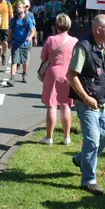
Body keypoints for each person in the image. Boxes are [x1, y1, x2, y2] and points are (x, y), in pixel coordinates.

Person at [67, 14, 105, 196]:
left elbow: (104, 73)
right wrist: (86, 97)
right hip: (87, 102)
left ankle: (81, 159)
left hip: (102, 100)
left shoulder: (104, 46)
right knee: (92, 140)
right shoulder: (83, 47)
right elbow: (71, 75)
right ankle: (88, 180)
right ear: (99, 30)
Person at [40, 13, 78, 145]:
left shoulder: (50, 39)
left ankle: (49, 137)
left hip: (53, 74)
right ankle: (66, 137)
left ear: (56, 26)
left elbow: (43, 57)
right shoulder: (74, 41)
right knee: (66, 105)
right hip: (68, 74)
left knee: (51, 105)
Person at [7, 2, 35, 86]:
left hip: (24, 43)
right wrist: (9, 41)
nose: (17, 9)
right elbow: (10, 31)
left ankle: (24, 73)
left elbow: (32, 30)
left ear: (23, 9)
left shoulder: (27, 19)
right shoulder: (14, 20)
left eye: (19, 7)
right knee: (14, 60)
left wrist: (30, 37)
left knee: (24, 61)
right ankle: (12, 78)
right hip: (15, 42)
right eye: (17, 8)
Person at [0, 0, 12, 65]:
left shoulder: (8, 4)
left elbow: (11, 16)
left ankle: (3, 54)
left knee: (5, 43)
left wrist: (12, 25)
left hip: (5, 26)